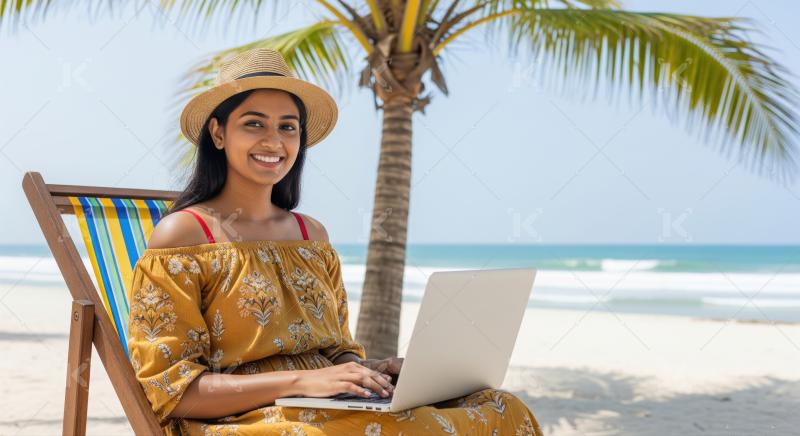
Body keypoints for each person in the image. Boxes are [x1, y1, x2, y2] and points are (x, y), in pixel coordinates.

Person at [127, 47, 544, 435]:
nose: (274, 141)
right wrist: (305, 381)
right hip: (245, 419)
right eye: (254, 123)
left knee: (500, 407)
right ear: (218, 134)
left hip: (331, 402)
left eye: (287, 127)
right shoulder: (185, 235)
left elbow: (334, 349)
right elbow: (174, 390)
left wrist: (369, 370)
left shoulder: (311, 236)